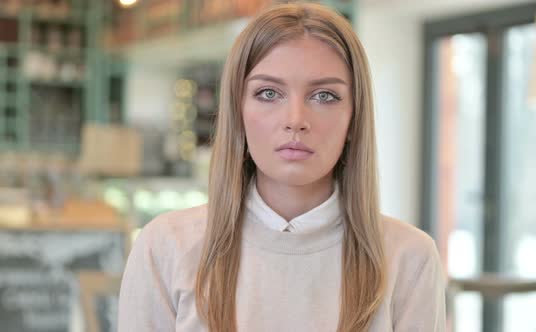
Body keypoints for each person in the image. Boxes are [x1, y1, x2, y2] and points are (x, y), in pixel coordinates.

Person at [118, 3, 446, 331]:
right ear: (238, 111)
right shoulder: (165, 246)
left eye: (325, 96)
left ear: (354, 118)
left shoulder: (409, 258)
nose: (295, 121)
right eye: (269, 93)